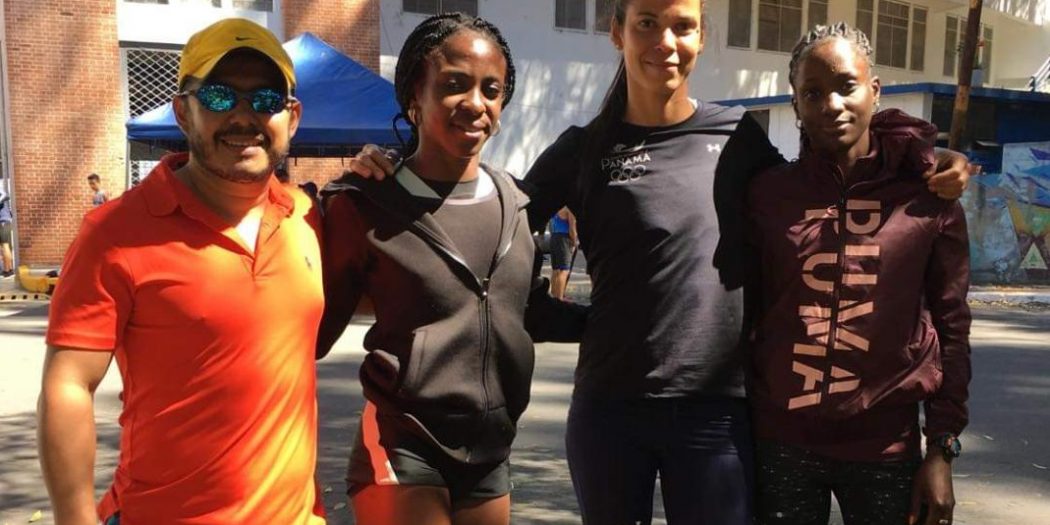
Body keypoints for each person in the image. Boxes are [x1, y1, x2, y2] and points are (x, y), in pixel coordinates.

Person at [345, 1, 970, 522]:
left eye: (682, 25)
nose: (664, 41)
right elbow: (495, 225)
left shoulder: (738, 137)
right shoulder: (584, 149)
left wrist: (916, 152)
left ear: (700, 36)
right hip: (610, 412)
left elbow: (818, 185)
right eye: (646, 22)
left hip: (719, 414)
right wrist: (400, 168)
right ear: (617, 31)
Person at [38, 18, 325, 525]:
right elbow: (69, 387)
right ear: (182, 111)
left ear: (293, 117)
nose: (244, 116)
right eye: (218, 96)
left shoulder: (306, 216)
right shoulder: (115, 232)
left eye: (266, 99)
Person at [316, 13, 582, 525]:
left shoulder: (515, 203)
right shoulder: (364, 203)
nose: (476, 103)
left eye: (492, 89)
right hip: (402, 445)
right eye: (454, 84)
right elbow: (310, 330)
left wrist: (619, 319)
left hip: (490, 452)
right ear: (414, 97)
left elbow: (526, 313)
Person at [746, 23, 971, 525]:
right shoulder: (767, 194)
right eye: (812, 93)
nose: (831, 104)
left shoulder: (929, 195)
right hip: (782, 443)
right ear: (795, 103)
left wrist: (942, 448)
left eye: (846, 86)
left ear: (874, 90)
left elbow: (953, 327)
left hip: (884, 448)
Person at [548, 206, 577, 300]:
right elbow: (572, 229)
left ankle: (553, 297)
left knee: (556, 270)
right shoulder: (569, 208)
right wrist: (575, 242)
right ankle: (559, 299)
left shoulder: (556, 207)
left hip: (554, 237)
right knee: (564, 271)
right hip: (564, 239)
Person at [0, 183, 13, 278]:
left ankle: (7, 270)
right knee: (5, 246)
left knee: (5, 246)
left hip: (3, 221)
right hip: (4, 221)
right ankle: (9, 269)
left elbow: (5, 195)